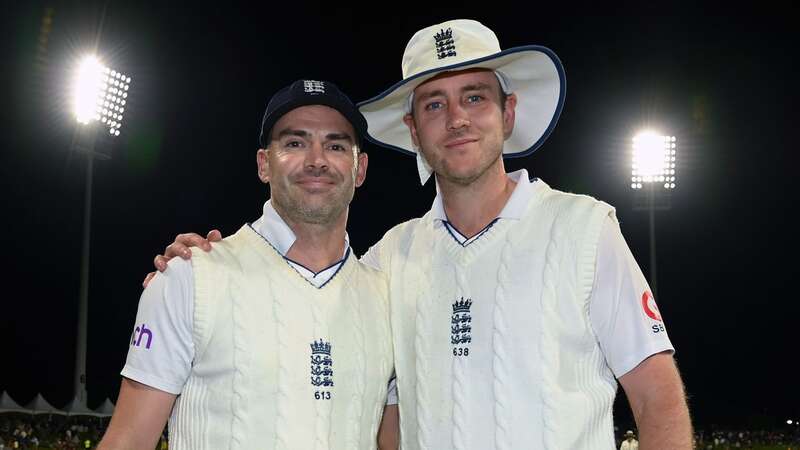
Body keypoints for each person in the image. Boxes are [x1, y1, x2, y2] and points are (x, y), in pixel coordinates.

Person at [148, 19, 693, 449]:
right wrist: (204, 263)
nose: (456, 119)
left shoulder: (584, 228)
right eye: (434, 104)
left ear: (508, 113)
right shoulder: (390, 259)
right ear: (412, 130)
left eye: (475, 97)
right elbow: (387, 419)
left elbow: (656, 398)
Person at [98, 80, 395, 450]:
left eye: (335, 145)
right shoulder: (190, 275)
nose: (316, 160)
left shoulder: (386, 298)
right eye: (294, 143)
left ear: (360, 169)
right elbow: (128, 440)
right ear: (263, 165)